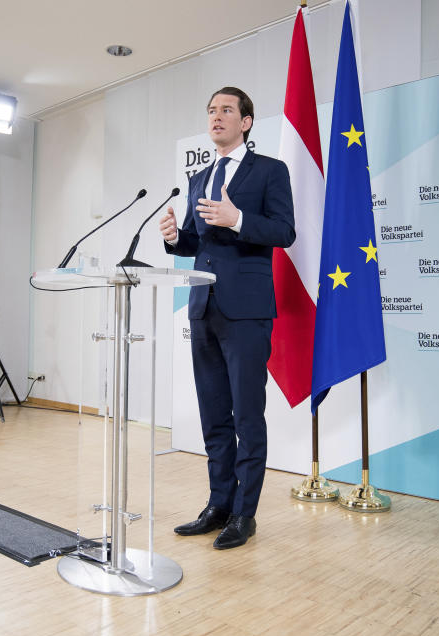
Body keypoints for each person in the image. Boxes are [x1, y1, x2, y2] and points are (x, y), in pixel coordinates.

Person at [159, 87, 295, 549]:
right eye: (211, 110)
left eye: (226, 111)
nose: (216, 117)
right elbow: (198, 243)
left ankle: (244, 514)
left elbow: (285, 231)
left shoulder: (270, 172)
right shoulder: (200, 177)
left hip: (248, 311)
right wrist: (175, 238)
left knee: (246, 417)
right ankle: (218, 504)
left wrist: (238, 219)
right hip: (204, 309)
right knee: (214, 415)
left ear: (247, 121)